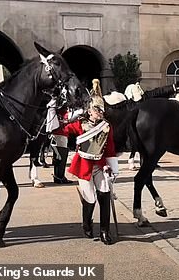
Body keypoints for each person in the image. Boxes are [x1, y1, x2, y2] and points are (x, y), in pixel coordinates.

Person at [63, 79, 118, 245]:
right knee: (90, 198)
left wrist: (112, 168)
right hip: (84, 166)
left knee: (105, 195)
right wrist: (69, 115)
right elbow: (63, 128)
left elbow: (110, 148)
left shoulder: (106, 127)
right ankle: (86, 223)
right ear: (90, 110)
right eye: (97, 110)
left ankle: (104, 231)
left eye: (102, 110)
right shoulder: (80, 124)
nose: (100, 113)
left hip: (101, 166)